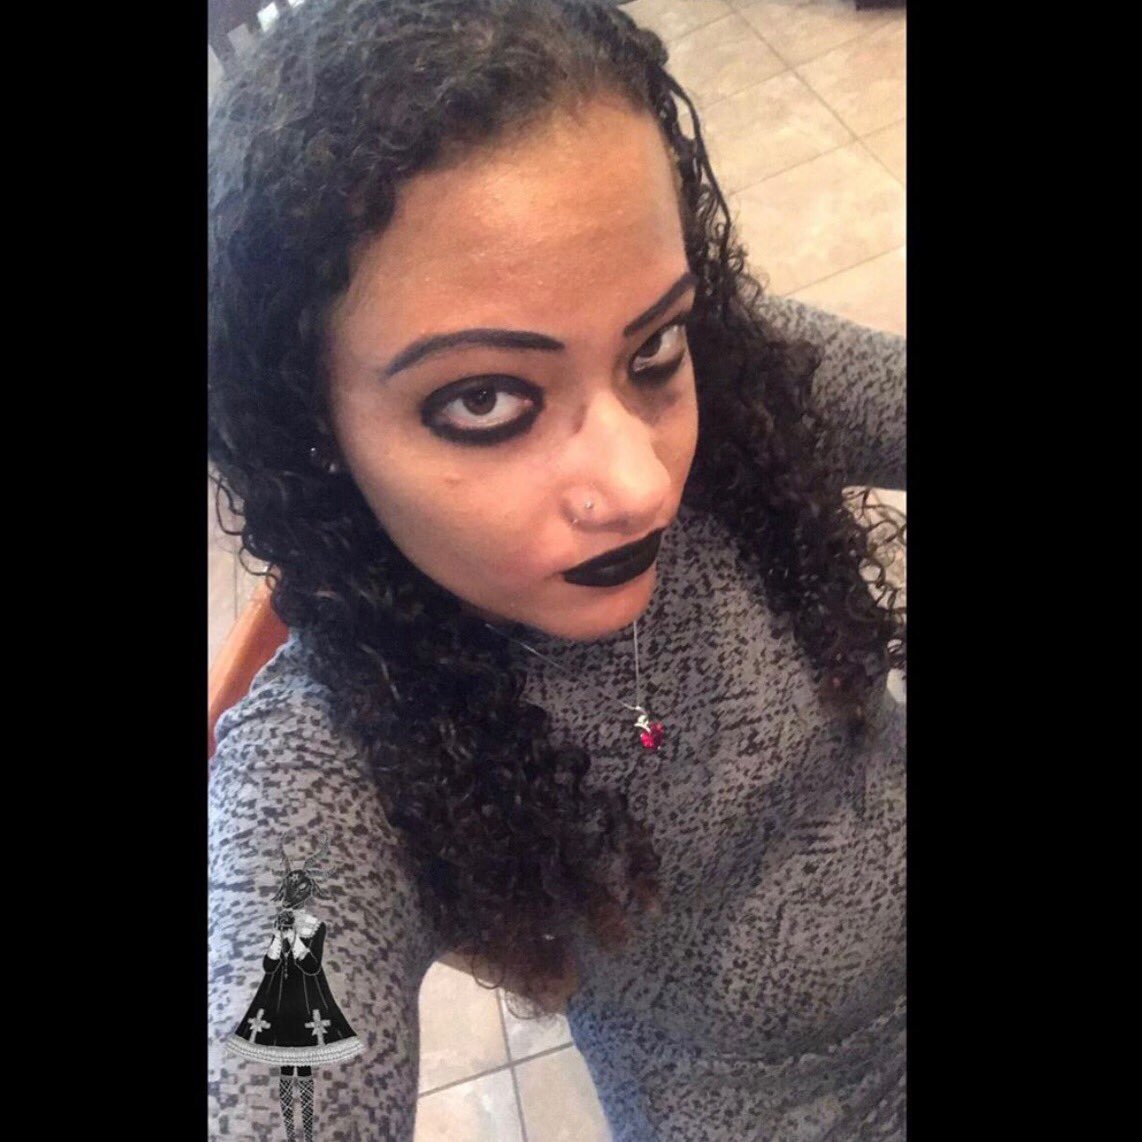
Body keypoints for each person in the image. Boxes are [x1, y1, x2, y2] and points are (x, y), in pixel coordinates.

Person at [207, 1, 906, 1138]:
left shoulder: (736, 378)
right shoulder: (330, 759)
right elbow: (280, 1074)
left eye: (652, 347)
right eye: (485, 400)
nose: (639, 485)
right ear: (315, 436)